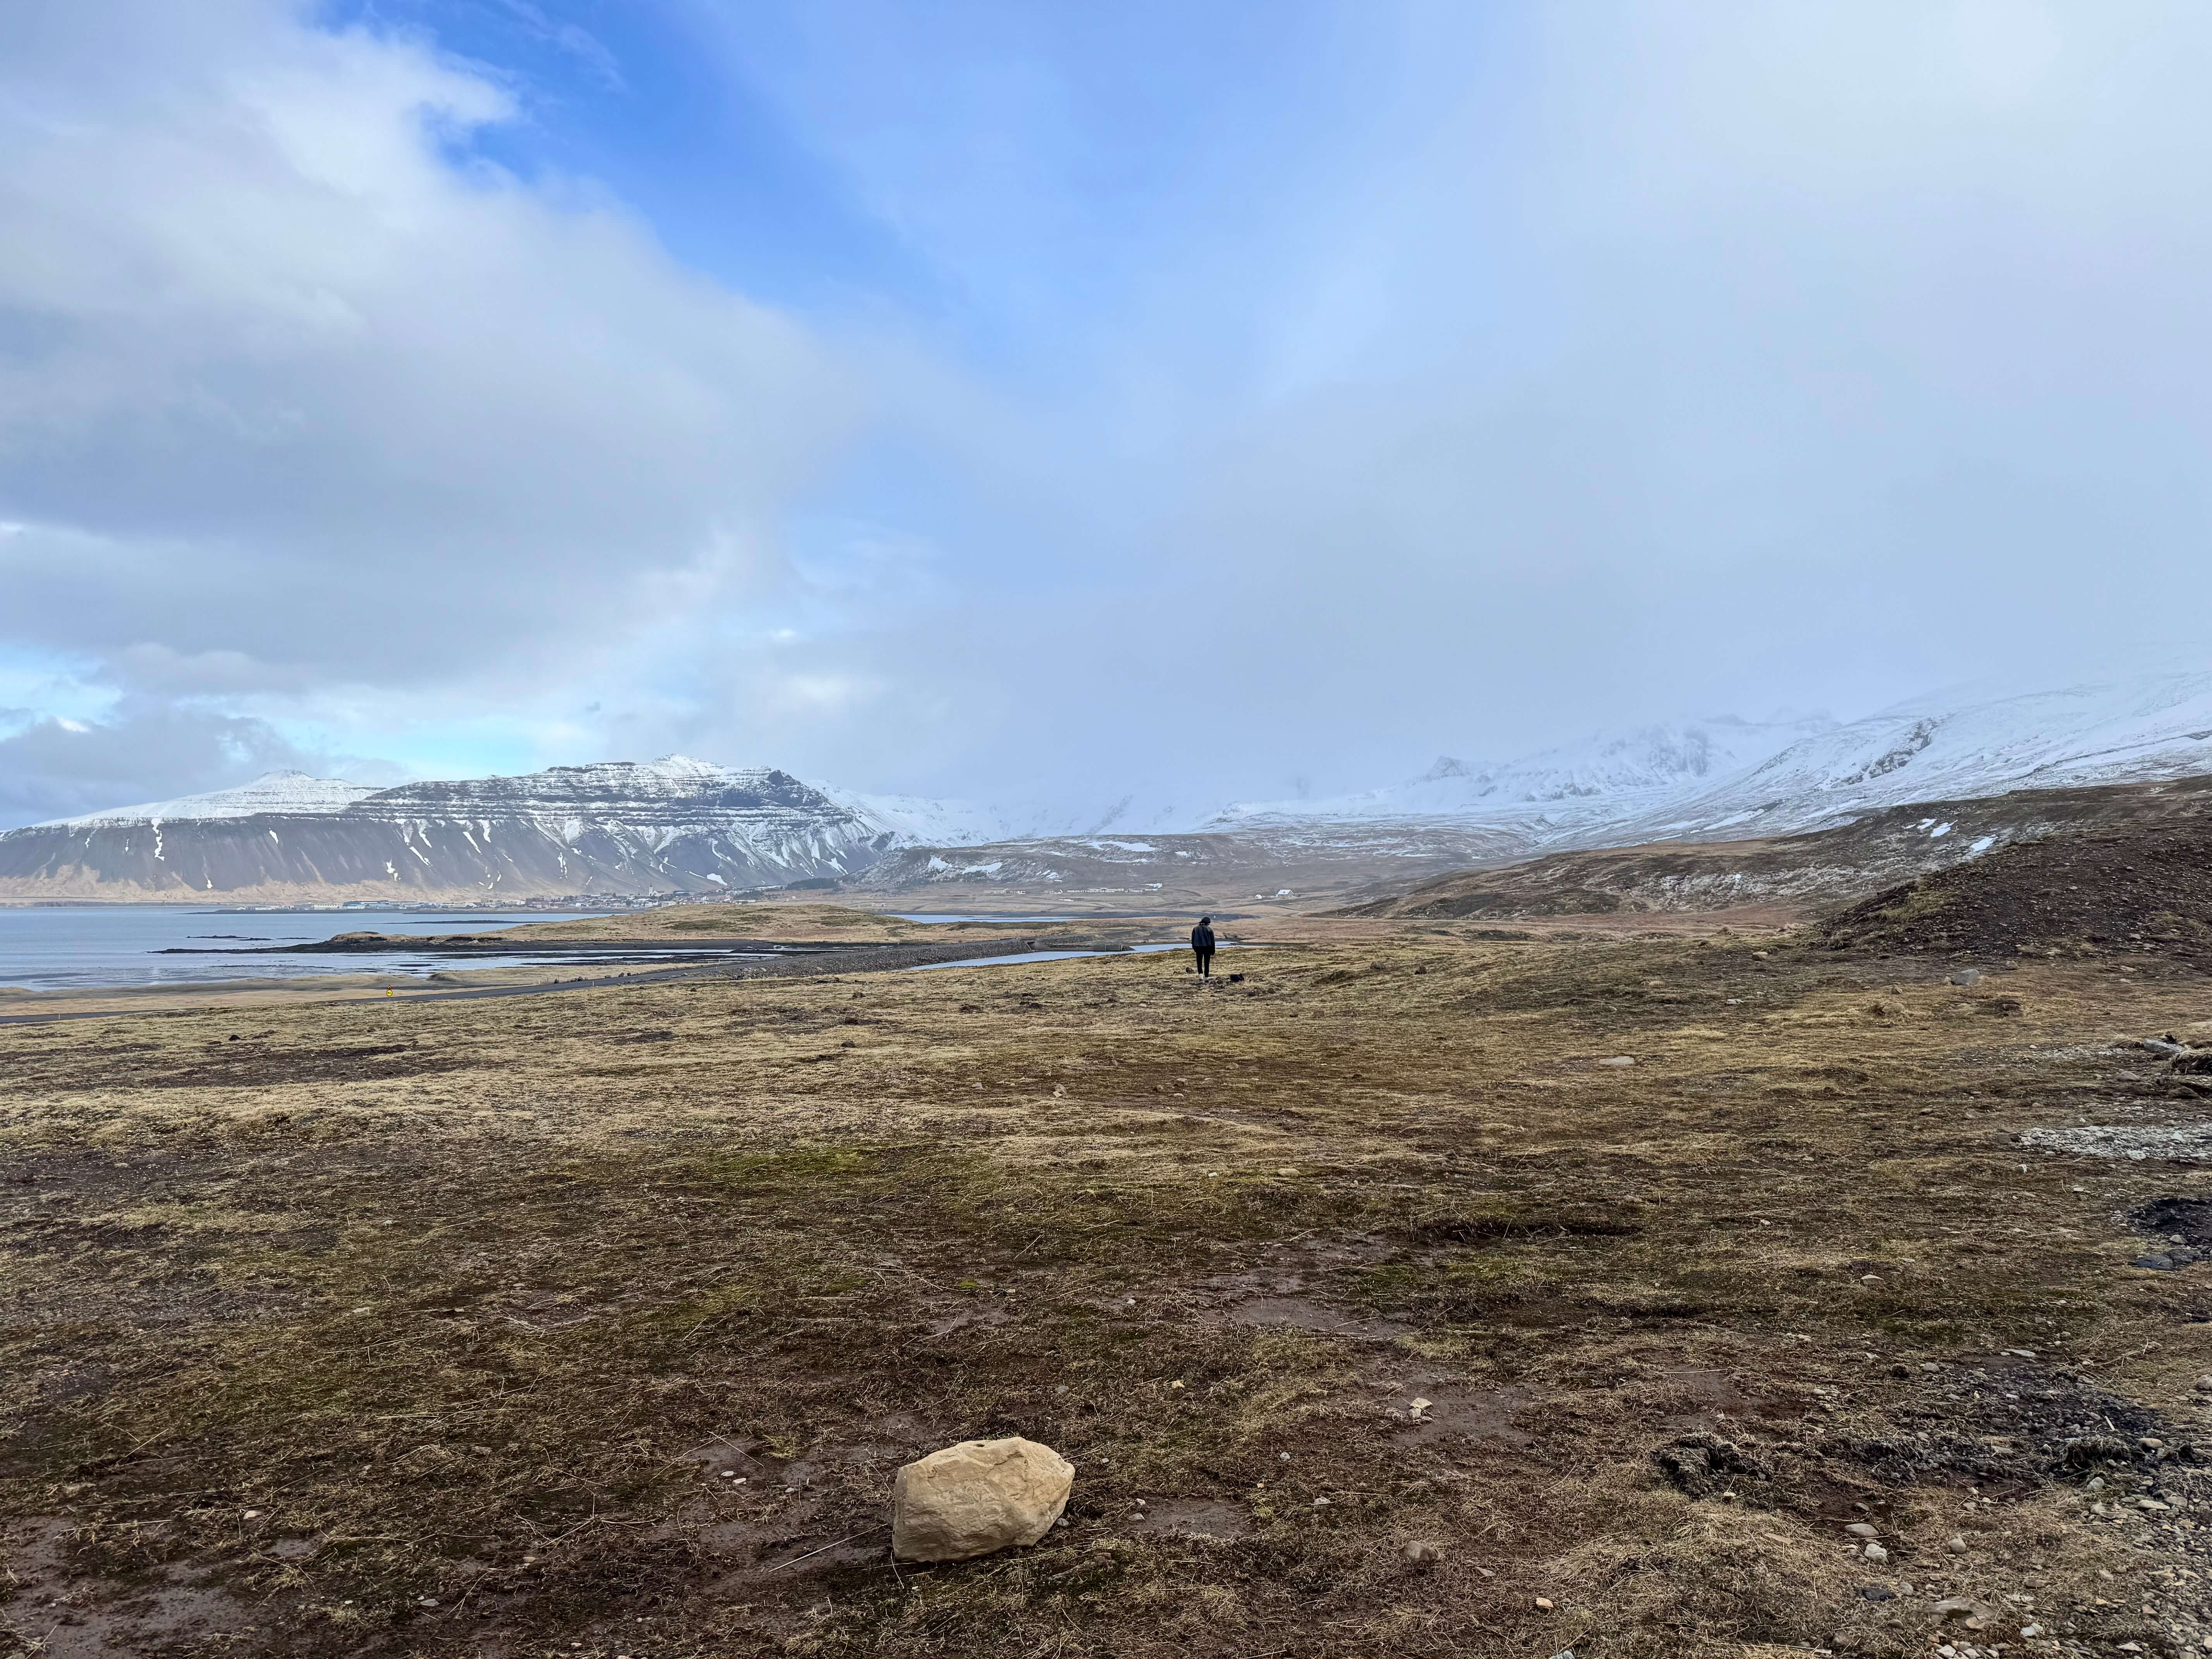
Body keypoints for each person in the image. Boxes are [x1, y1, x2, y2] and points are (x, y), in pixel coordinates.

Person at [1190, 914, 1216, 979]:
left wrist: (1194, 947)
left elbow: (1193, 940)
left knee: (1199, 962)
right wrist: (1213, 950)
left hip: (1198, 948)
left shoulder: (1196, 929)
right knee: (1207, 963)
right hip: (1208, 948)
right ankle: (1206, 977)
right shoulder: (1210, 930)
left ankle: (1201, 975)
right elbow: (1213, 941)